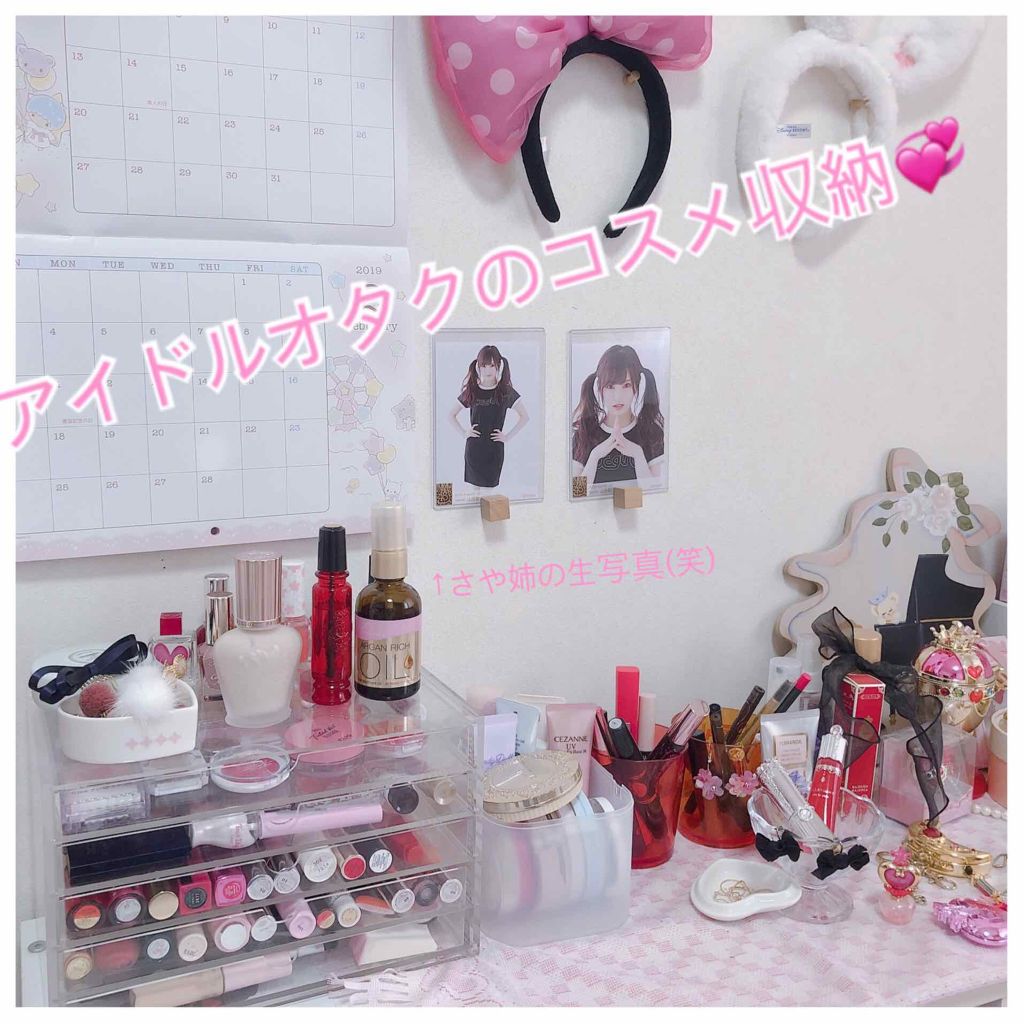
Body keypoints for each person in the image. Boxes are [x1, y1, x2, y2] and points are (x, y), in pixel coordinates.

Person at [571, 344, 665, 492]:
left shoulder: (652, 433)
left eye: (626, 385)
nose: (618, 396)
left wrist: (638, 454)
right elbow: (577, 493)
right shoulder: (584, 434)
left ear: (636, 386)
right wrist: (595, 456)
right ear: (600, 388)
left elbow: (655, 493)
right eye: (610, 386)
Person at [448, 344, 529, 489]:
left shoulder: (505, 392)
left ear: (498, 365)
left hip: (494, 451)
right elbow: (451, 415)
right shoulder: (472, 390)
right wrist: (464, 433)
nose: (488, 370)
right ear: (478, 367)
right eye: (484, 366)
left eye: (492, 365)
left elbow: (524, 417)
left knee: (489, 493)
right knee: (474, 493)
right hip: (474, 450)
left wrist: (507, 437)